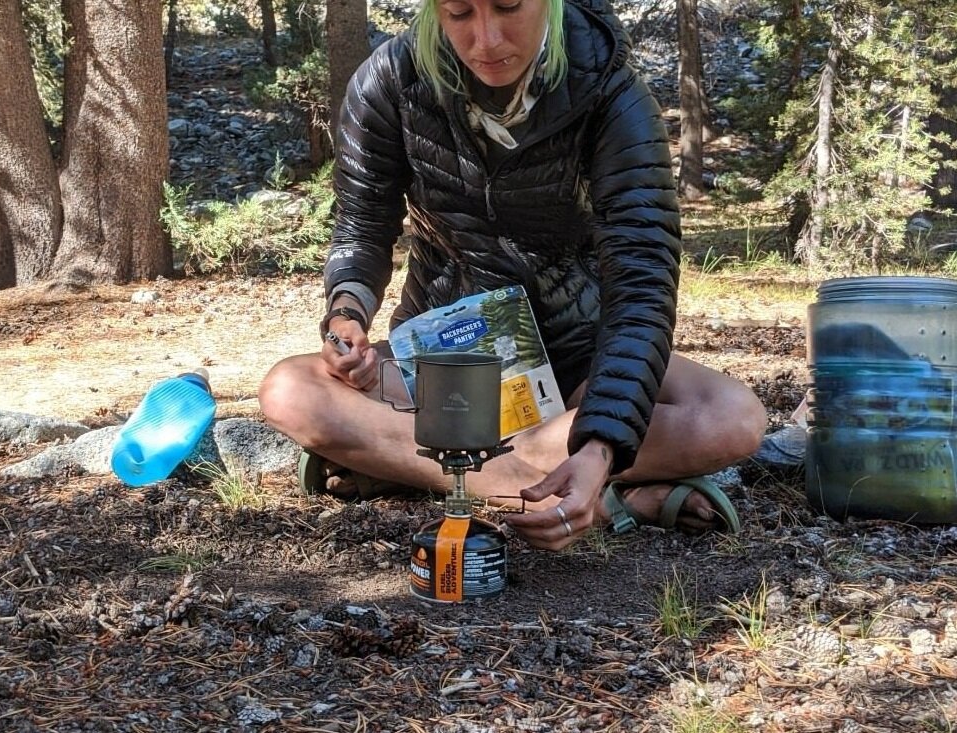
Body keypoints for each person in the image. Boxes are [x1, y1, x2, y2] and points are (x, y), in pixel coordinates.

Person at [259, 0, 767, 551]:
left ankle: (419, 466)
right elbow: (362, 226)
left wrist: (598, 445)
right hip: (444, 361)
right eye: (459, 14)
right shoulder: (389, 81)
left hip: (578, 355)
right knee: (289, 390)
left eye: (508, 8)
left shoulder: (611, 93)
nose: (487, 40)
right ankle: (611, 497)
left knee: (732, 417)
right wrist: (347, 314)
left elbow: (642, 282)